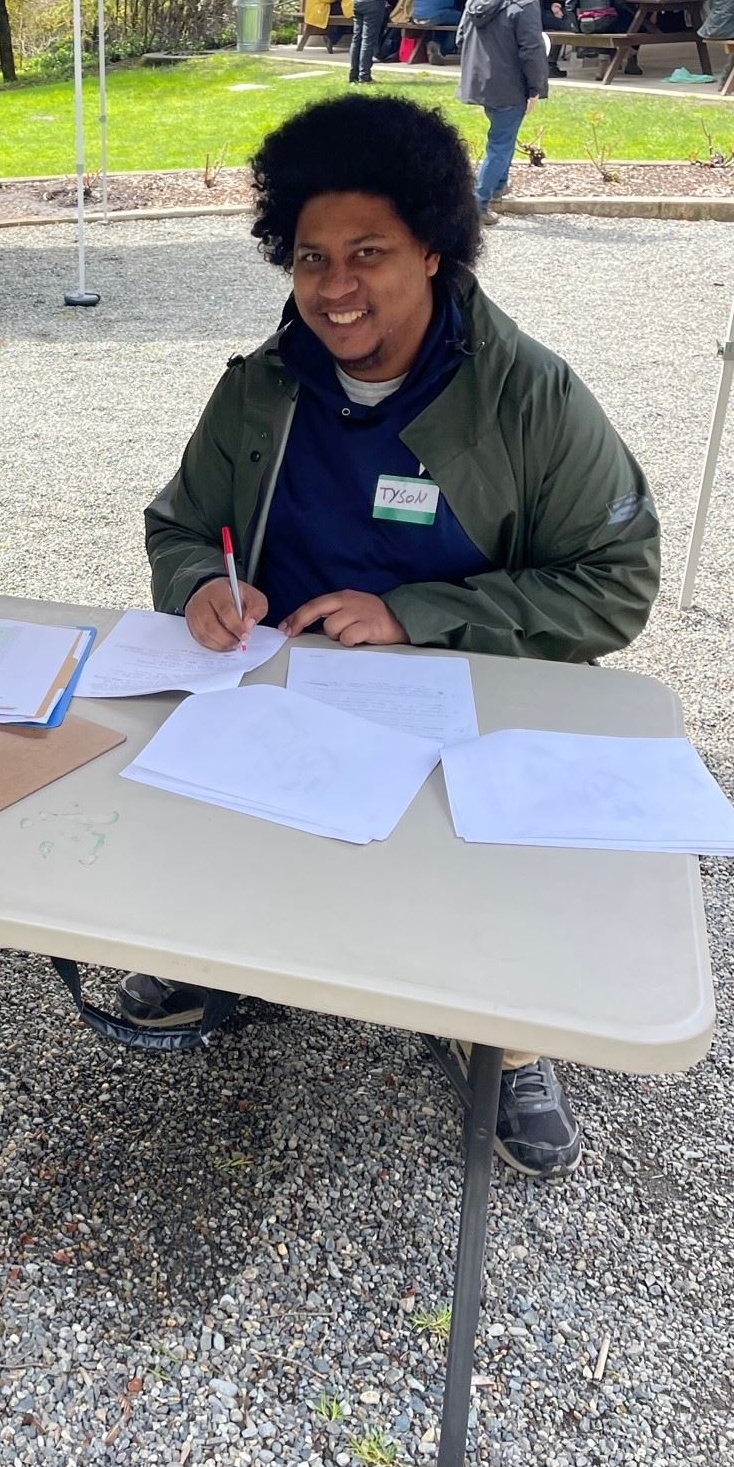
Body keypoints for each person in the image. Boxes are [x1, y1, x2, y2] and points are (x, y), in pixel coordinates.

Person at [122, 94, 660, 1180]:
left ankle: (508, 1037)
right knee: (224, 812)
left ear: (434, 246)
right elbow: (180, 524)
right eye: (311, 256)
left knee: (482, 869)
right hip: (285, 688)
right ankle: (234, 960)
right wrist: (196, 591)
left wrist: (417, 618)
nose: (333, 287)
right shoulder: (262, 388)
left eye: (368, 252)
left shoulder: (530, 398)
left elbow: (617, 583)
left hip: (465, 694)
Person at [457, 0, 549, 225]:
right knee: (500, 142)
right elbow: (532, 50)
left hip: (481, 80)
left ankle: (498, 186)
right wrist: (536, 89)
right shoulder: (525, 0)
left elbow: (461, 37)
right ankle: (478, 204)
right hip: (510, 85)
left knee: (501, 136)